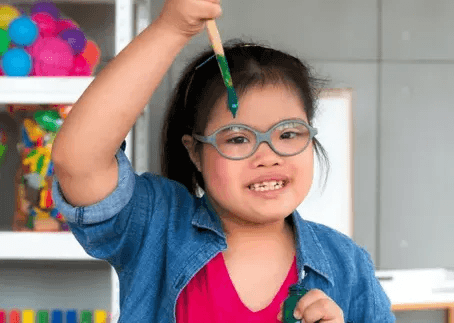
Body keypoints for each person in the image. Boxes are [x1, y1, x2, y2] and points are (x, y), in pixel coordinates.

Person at [51, 0, 396, 322]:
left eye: (288, 134)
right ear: (194, 152)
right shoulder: (158, 227)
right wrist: (171, 29)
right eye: (237, 138)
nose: (268, 157)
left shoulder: (348, 266)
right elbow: (78, 161)